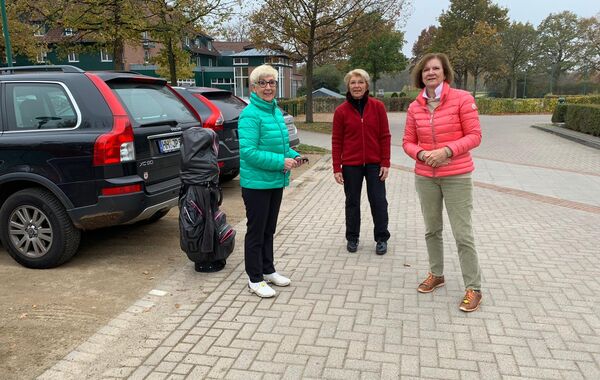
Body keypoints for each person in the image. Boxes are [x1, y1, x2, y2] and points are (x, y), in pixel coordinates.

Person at [402, 53, 483, 312]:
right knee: (432, 230)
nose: (430, 72)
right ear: (420, 75)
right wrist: (422, 154)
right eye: (426, 69)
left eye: (435, 68)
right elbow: (407, 142)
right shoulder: (415, 107)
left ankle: (474, 287)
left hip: (457, 176)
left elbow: (475, 136)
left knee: (462, 234)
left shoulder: (462, 99)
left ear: (444, 72)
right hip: (426, 177)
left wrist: (447, 151)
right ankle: (436, 274)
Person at [238, 64, 306, 298]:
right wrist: (280, 162)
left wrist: (294, 155)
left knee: (269, 230)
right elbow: (248, 151)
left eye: (272, 83)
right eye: (263, 83)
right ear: (254, 87)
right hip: (256, 184)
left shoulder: (275, 111)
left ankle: (268, 270)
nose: (268, 87)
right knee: (256, 232)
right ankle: (254, 279)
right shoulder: (250, 115)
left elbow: (282, 146)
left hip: (275, 181)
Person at [332, 69, 391, 255]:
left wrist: (386, 162)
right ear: (348, 86)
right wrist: (336, 167)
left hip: (375, 164)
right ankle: (352, 237)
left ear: (366, 85)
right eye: (352, 83)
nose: (356, 86)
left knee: (379, 201)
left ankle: (381, 238)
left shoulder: (378, 107)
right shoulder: (341, 111)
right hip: (351, 164)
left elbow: (385, 136)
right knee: (352, 202)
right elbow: (336, 140)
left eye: (360, 82)